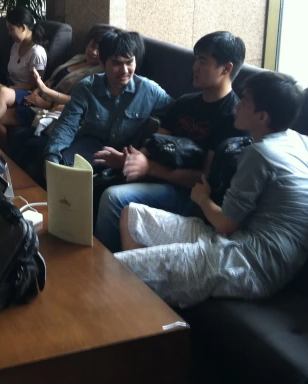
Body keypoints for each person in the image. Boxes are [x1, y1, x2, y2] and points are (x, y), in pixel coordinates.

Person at [115, 71, 308, 309]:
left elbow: (226, 224)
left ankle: (137, 310)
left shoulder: (261, 154)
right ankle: (145, 310)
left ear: (262, 117)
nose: (237, 105)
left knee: (115, 270)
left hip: (253, 263)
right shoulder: (304, 142)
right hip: (242, 243)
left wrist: (202, 198)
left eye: (245, 101)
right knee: (132, 215)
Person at [95, 31, 248, 252]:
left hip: (190, 196)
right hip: (160, 180)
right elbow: (155, 144)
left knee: (114, 198)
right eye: (196, 59)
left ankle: (106, 269)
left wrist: (151, 168)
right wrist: (129, 159)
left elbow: (204, 179)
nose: (194, 67)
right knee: (97, 180)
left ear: (226, 69)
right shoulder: (184, 103)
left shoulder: (233, 118)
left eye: (203, 62)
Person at [43, 28, 173, 170]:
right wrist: (52, 158)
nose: (124, 70)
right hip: (90, 147)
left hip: (126, 156)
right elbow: (67, 125)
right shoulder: (86, 88)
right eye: (116, 63)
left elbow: (177, 112)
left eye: (129, 62)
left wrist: (150, 147)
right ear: (102, 64)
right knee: (62, 167)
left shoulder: (149, 90)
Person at [8, 24, 109, 176]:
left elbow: (77, 103)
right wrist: (36, 91)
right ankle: (7, 175)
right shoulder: (78, 58)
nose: (94, 52)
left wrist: (45, 96)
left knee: (30, 144)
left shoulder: (100, 74)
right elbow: (51, 80)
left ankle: (20, 183)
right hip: (45, 104)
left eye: (100, 50)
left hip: (53, 112)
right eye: (92, 45)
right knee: (17, 135)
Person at [0, 7, 47, 150]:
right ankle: (0, 153)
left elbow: (33, 86)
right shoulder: (16, 45)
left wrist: (3, 88)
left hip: (26, 94)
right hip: (11, 90)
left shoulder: (37, 53)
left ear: (23, 28)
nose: (9, 33)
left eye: (11, 29)